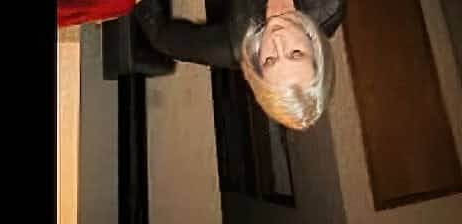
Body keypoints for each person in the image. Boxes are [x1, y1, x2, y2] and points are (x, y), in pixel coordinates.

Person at [133, 0, 346, 130]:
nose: (278, 40)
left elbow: (162, 37)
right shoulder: (328, 5)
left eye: (270, 60)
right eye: (296, 53)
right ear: (314, 47)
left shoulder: (235, 44)